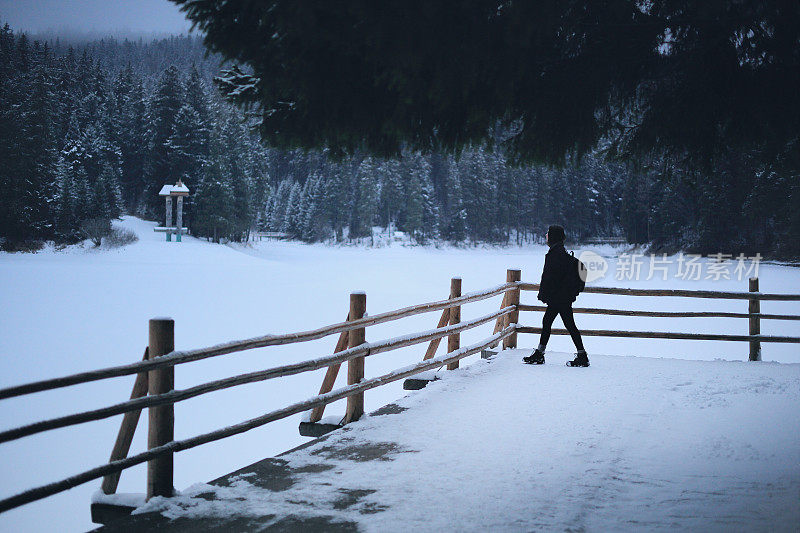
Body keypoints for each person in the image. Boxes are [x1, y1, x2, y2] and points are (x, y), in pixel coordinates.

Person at [523, 225, 589, 367]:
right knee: (555, 323)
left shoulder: (555, 254)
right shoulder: (559, 252)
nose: (546, 236)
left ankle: (581, 356)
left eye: (548, 234)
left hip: (559, 298)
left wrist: (546, 294)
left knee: (561, 324)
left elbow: (550, 278)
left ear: (552, 237)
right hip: (561, 297)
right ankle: (542, 353)